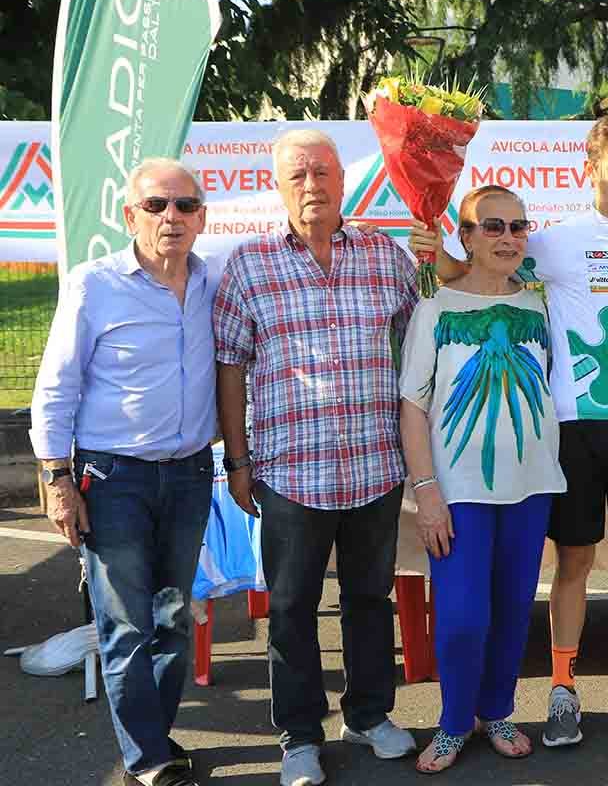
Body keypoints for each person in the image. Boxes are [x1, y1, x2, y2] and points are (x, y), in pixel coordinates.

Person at [419, 108, 608, 746]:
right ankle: (563, 689)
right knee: (571, 561)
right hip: (568, 427)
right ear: (588, 169)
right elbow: (471, 274)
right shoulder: (551, 241)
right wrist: (436, 253)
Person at [212, 129, 420, 786]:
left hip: (373, 466)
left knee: (368, 597)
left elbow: (421, 347)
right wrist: (237, 463)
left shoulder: (387, 258)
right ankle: (298, 735)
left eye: (323, 172)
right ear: (278, 187)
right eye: (298, 175)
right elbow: (230, 368)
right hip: (290, 471)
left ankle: (367, 714)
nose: (312, 186)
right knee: (292, 606)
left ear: (343, 180)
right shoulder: (248, 266)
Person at [30, 158, 217, 786]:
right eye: (158, 205)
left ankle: (155, 739)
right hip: (114, 479)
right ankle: (148, 758)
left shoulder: (214, 281)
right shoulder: (94, 284)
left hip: (191, 473)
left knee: (172, 616)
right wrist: (57, 480)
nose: (172, 218)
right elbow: (56, 388)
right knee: (125, 624)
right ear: (129, 214)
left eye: (186, 206)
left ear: (201, 217)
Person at [399, 185, 567, 773]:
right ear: (464, 237)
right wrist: (426, 491)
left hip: (531, 486)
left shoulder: (540, 303)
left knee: (513, 606)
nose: (506, 238)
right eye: (491, 226)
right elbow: (414, 406)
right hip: (458, 490)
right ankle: (452, 722)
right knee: (463, 614)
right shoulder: (436, 309)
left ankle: (496, 709)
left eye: (517, 227)